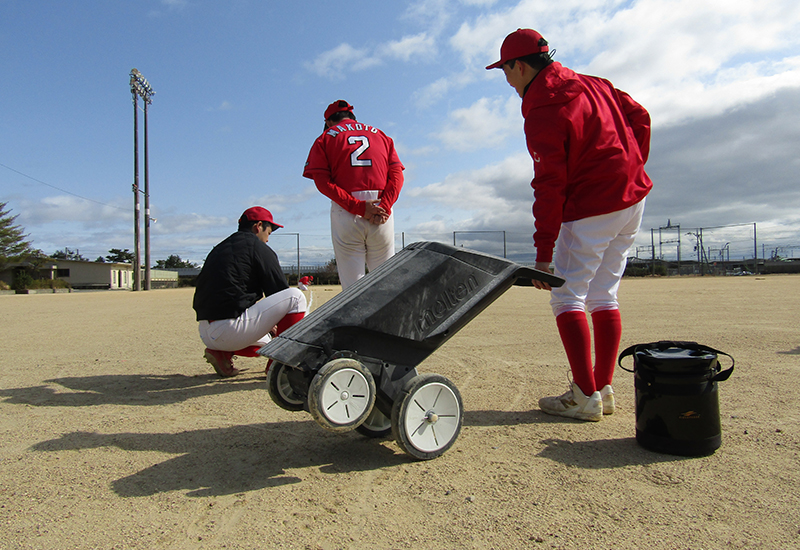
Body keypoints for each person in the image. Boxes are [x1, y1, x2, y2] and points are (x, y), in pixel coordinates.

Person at [486, 29, 653, 421]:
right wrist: (631, 165)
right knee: (604, 295)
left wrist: (543, 255)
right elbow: (639, 117)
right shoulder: (593, 83)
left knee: (566, 296)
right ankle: (602, 389)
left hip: (592, 205)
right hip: (632, 197)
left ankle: (583, 395)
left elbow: (549, 185)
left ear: (521, 65)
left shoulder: (543, 106)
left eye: (506, 71)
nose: (507, 80)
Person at [193, 207, 307, 377]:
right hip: (231, 330)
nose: (268, 238)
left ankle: (222, 353)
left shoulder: (220, 248)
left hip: (206, 332)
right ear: (258, 226)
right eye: (269, 231)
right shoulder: (258, 247)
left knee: (267, 343)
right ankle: (278, 367)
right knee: (296, 297)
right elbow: (280, 293)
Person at [303, 100, 404, 290]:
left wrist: (358, 207)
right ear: (353, 118)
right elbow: (397, 175)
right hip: (381, 209)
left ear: (329, 122)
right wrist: (385, 206)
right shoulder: (381, 134)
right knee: (386, 285)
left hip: (348, 211)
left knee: (353, 290)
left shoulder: (325, 137)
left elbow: (322, 182)